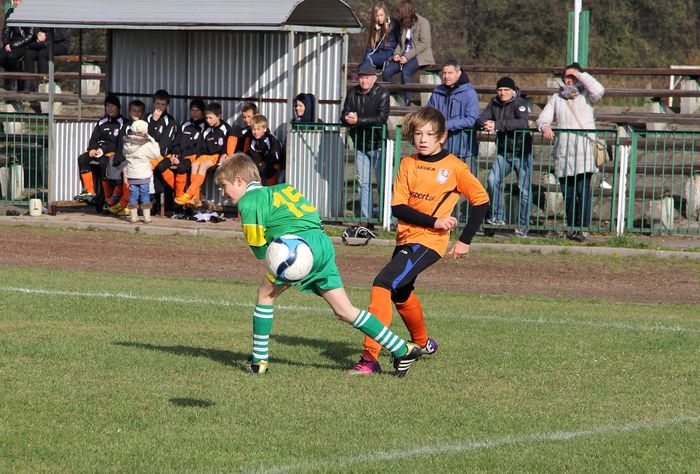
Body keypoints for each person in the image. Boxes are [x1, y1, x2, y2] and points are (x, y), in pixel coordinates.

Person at [214, 153, 423, 376]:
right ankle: (402, 349)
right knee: (344, 310)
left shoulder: (248, 201)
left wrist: (281, 255)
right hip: (321, 243)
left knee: (265, 295)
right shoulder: (284, 188)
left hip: (297, 249)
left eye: (224, 186)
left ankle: (259, 362)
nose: (224, 193)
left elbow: (259, 250)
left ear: (239, 181)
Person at [348, 106, 489, 375]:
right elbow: (398, 207)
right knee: (401, 292)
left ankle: (370, 358)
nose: (423, 139)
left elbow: (481, 201)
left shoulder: (455, 167)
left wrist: (465, 240)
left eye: (430, 134)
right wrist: (433, 220)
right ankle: (423, 343)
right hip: (406, 237)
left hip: (429, 242)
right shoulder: (408, 163)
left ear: (442, 137)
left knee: (383, 284)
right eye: (418, 134)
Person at [536, 63, 604, 242]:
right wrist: (545, 126)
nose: (570, 80)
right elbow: (542, 118)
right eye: (568, 76)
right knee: (568, 194)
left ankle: (583, 228)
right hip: (564, 152)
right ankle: (572, 227)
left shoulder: (587, 94)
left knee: (583, 192)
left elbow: (599, 90)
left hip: (584, 151)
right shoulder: (557, 97)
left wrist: (581, 74)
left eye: (573, 76)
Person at [476, 76, 533, 237]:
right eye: (500, 90)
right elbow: (482, 117)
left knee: (524, 191)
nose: (502, 93)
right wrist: (484, 124)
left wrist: (497, 125)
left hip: (522, 152)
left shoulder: (521, 103)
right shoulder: (494, 102)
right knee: (492, 181)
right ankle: (497, 217)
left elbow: (522, 122)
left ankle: (522, 228)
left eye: (506, 90)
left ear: (513, 91)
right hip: (503, 152)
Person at [340, 64, 390, 226]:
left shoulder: (382, 93)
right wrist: (347, 118)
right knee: (363, 183)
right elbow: (344, 114)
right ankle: (365, 219)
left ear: (374, 79)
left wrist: (358, 120)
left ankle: (386, 218)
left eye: (367, 77)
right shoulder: (352, 93)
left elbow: (381, 118)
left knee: (382, 183)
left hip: (378, 143)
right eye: (361, 77)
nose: (363, 81)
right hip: (360, 144)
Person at [174, 102, 235, 207]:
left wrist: (224, 154)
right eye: (207, 118)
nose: (208, 120)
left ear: (218, 116)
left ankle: (189, 193)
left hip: (217, 156)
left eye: (211, 118)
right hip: (206, 155)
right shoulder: (207, 129)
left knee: (203, 166)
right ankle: (195, 198)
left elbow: (228, 143)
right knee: (195, 165)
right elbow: (202, 146)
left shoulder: (225, 128)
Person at [427, 60, 480, 171]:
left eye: (450, 73)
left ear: (458, 73)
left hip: (464, 150)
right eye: (444, 73)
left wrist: (446, 125)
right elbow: (429, 114)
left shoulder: (469, 93)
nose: (446, 76)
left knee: (467, 181)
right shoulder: (437, 92)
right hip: (441, 147)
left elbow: (471, 119)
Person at [382, 0, 434, 106]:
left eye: (400, 13)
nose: (399, 16)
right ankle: (397, 96)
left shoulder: (423, 22)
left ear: (407, 12)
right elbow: (400, 44)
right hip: (404, 55)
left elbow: (424, 43)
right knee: (387, 72)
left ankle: (408, 102)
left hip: (420, 55)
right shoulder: (403, 24)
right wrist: (396, 54)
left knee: (406, 72)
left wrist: (407, 56)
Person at [74, 93, 124, 204]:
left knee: (104, 162)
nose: (110, 108)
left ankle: (107, 196)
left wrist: (102, 150)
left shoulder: (122, 123)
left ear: (118, 107)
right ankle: (90, 192)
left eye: (112, 106)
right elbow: (94, 138)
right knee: (82, 158)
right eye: (107, 106)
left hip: (112, 152)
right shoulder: (102, 122)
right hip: (99, 151)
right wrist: (92, 149)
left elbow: (117, 142)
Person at [106, 99, 146, 217]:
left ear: (142, 113)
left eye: (139, 111)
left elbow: (143, 143)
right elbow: (121, 143)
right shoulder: (126, 126)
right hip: (126, 156)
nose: (136, 113)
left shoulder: (144, 126)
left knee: (127, 172)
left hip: (139, 158)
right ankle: (117, 198)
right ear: (129, 112)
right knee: (113, 162)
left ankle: (125, 203)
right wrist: (119, 157)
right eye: (134, 110)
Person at [123, 120, 160, 224]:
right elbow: (156, 155)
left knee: (133, 195)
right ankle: (147, 217)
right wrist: (152, 140)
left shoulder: (127, 143)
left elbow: (124, 154)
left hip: (132, 174)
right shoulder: (146, 144)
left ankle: (133, 217)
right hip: (143, 174)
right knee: (145, 196)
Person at [170, 98, 206, 199]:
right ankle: (177, 197)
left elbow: (202, 147)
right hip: (181, 156)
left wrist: (187, 156)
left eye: (197, 110)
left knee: (182, 167)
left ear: (202, 112)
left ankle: (184, 197)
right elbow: (177, 142)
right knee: (163, 165)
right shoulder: (185, 125)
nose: (194, 113)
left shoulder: (205, 126)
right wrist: (175, 155)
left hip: (194, 157)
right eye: (192, 110)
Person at [146, 89, 179, 196]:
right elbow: (145, 136)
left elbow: (166, 142)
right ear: (153, 103)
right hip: (147, 155)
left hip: (162, 155)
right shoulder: (147, 118)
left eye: (163, 104)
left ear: (167, 105)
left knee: (158, 167)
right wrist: (154, 121)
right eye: (157, 104)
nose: (159, 107)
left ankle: (177, 193)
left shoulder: (170, 120)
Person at [0, 0, 32, 92]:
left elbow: (30, 35)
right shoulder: (10, 12)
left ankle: (14, 83)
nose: (16, 2)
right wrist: (6, 43)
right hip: (11, 42)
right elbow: (6, 30)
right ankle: (18, 76)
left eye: (19, 0)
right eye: (15, 0)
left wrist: (13, 45)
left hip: (25, 44)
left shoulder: (30, 13)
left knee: (11, 56)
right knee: (1, 56)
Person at [359, 2, 398, 71]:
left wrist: (387, 30)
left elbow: (398, 42)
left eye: (381, 15)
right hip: (378, 53)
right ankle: (369, 77)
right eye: (377, 16)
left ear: (386, 14)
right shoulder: (375, 27)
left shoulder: (393, 25)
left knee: (368, 60)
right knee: (362, 65)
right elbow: (370, 47)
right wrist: (366, 57)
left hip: (389, 52)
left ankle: (368, 77)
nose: (379, 18)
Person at [248, 113, 284, 185]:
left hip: (275, 164)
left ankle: (271, 187)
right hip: (262, 163)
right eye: (254, 129)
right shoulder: (253, 140)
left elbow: (276, 157)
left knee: (265, 169)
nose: (256, 132)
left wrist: (264, 163)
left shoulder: (271, 139)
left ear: (264, 129)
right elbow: (253, 155)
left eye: (258, 129)